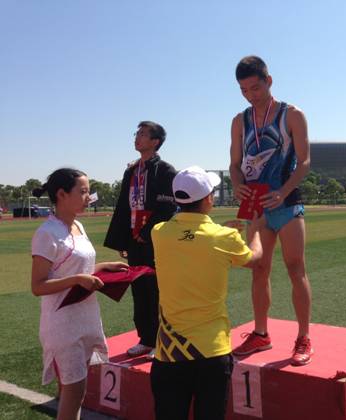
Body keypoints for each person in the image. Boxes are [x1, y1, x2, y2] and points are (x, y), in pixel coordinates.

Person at [150, 166, 263, 420]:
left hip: (169, 353)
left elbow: (189, 237)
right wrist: (254, 230)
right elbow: (255, 259)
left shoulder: (159, 233)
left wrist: (221, 231)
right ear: (209, 199)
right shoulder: (224, 237)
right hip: (212, 351)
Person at [229, 55, 313, 365]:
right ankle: (261, 334)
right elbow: (234, 164)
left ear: (269, 81)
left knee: (295, 267)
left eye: (255, 87)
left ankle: (303, 337)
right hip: (256, 205)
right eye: (244, 90)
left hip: (286, 202)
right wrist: (237, 184)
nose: (250, 95)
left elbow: (304, 162)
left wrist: (283, 192)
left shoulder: (292, 115)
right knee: (258, 269)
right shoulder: (240, 121)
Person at [31, 168, 128, 420]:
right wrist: (77, 279)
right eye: (83, 191)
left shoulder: (78, 225)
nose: (89, 197)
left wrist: (103, 267)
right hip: (62, 323)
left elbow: (76, 268)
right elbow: (38, 286)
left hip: (86, 317)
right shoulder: (47, 233)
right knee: (74, 392)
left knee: (77, 391)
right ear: (61, 194)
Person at [104, 121, 177, 357]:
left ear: (155, 142)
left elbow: (168, 207)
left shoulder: (165, 170)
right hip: (134, 238)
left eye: (143, 134)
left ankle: (162, 341)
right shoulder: (131, 171)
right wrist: (123, 239)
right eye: (137, 133)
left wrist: (148, 233)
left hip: (156, 239)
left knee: (157, 290)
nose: (137, 137)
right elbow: (123, 207)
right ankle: (145, 338)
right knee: (139, 288)